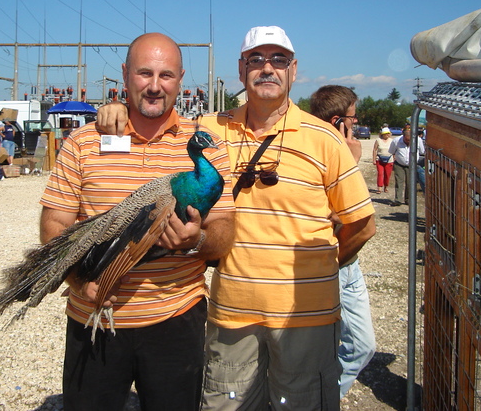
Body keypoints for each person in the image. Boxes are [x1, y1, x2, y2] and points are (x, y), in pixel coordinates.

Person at [98, 26, 376, 409]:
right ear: (241, 69)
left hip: (305, 316)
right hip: (231, 314)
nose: (267, 68)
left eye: (278, 59)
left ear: (293, 70)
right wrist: (115, 109)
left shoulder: (324, 138)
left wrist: (323, 266)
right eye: (256, 59)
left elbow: (363, 224)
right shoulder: (212, 128)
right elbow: (159, 122)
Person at [39, 32, 236, 410]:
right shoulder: (85, 140)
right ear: (126, 74)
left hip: (176, 318)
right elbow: (56, 225)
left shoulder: (207, 142)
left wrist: (194, 241)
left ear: (180, 80)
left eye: (166, 75)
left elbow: (224, 231)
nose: (155, 86)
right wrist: (80, 282)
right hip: (96, 313)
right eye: (145, 73)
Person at [309, 84, 377, 399]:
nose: (355, 123)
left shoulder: (341, 150)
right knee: (323, 348)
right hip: (332, 264)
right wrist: (349, 161)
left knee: (360, 345)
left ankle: (318, 397)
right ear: (339, 120)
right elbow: (345, 217)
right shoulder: (316, 151)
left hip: (349, 265)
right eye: (353, 117)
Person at [389, 127, 424, 206]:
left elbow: (422, 151)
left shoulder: (418, 140)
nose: (408, 142)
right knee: (399, 182)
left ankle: (408, 199)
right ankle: (398, 199)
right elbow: (391, 151)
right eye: (407, 140)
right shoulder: (396, 141)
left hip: (412, 165)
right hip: (399, 164)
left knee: (410, 182)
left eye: (410, 140)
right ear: (403, 136)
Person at [372, 127, 394, 194]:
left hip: (389, 160)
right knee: (380, 174)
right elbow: (374, 150)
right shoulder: (378, 140)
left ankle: (386, 187)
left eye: (388, 133)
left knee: (387, 174)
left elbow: (394, 150)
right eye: (386, 134)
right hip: (380, 159)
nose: (387, 135)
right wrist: (374, 159)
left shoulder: (392, 141)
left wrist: (395, 159)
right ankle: (379, 188)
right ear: (383, 134)